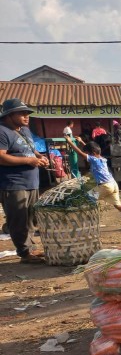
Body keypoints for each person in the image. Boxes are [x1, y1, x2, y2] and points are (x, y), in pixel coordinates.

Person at [0, 99, 49, 263]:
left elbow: (30, 149)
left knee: (29, 218)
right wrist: (29, 161)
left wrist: (40, 157)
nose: (26, 116)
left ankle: (31, 249)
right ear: (9, 115)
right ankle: (24, 252)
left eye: (27, 113)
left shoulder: (25, 130)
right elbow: (1, 156)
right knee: (18, 219)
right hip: (13, 183)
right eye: (22, 113)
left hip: (31, 182)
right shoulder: (2, 131)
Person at [64, 136, 121, 230]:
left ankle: (88, 225)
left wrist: (69, 142)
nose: (86, 156)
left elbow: (80, 153)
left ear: (92, 153)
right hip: (113, 184)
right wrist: (81, 141)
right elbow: (91, 150)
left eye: (87, 154)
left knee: (86, 199)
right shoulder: (102, 158)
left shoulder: (94, 160)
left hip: (105, 186)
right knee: (118, 205)